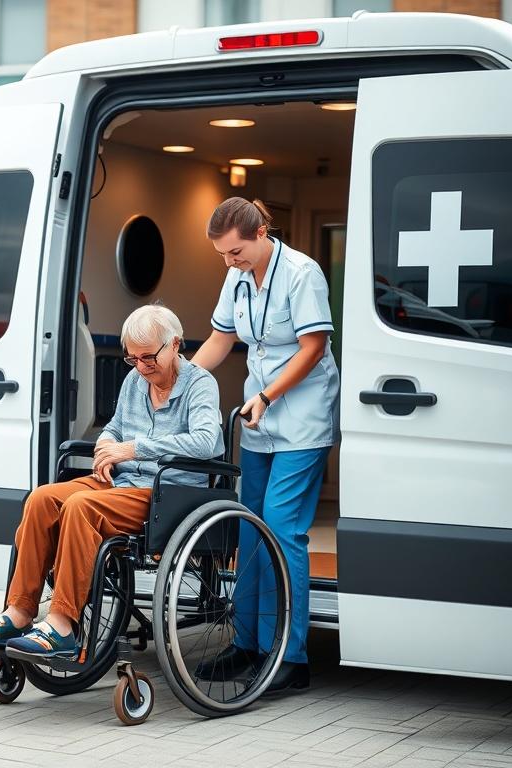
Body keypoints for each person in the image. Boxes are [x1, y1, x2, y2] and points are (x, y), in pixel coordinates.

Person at [0, 304, 223, 659]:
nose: (142, 367)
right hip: (122, 483)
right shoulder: (135, 381)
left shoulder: (199, 384)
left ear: (175, 344)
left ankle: (62, 624)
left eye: (149, 357)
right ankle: (18, 612)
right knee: (41, 499)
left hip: (167, 492)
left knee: (81, 506)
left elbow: (206, 442)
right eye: (133, 359)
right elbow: (115, 427)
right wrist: (106, 445)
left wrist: (132, 449)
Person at [191, 197, 340, 694]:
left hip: (301, 418)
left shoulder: (302, 273)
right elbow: (220, 339)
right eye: (222, 255)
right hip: (258, 418)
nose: (229, 262)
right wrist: (179, 379)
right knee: (248, 527)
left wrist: (268, 395)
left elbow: (314, 348)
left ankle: (289, 658)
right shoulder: (236, 277)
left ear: (260, 234)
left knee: (280, 527)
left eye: (235, 252)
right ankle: (247, 645)